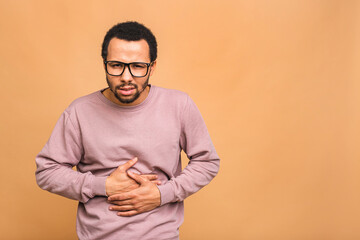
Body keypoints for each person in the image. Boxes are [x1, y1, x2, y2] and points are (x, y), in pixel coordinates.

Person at [35, 21, 220, 240]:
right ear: (104, 64)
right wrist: (102, 185)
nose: (126, 76)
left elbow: (207, 162)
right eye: (116, 65)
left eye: (138, 66)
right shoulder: (79, 112)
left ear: (152, 67)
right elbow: (46, 172)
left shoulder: (179, 105)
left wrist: (162, 194)